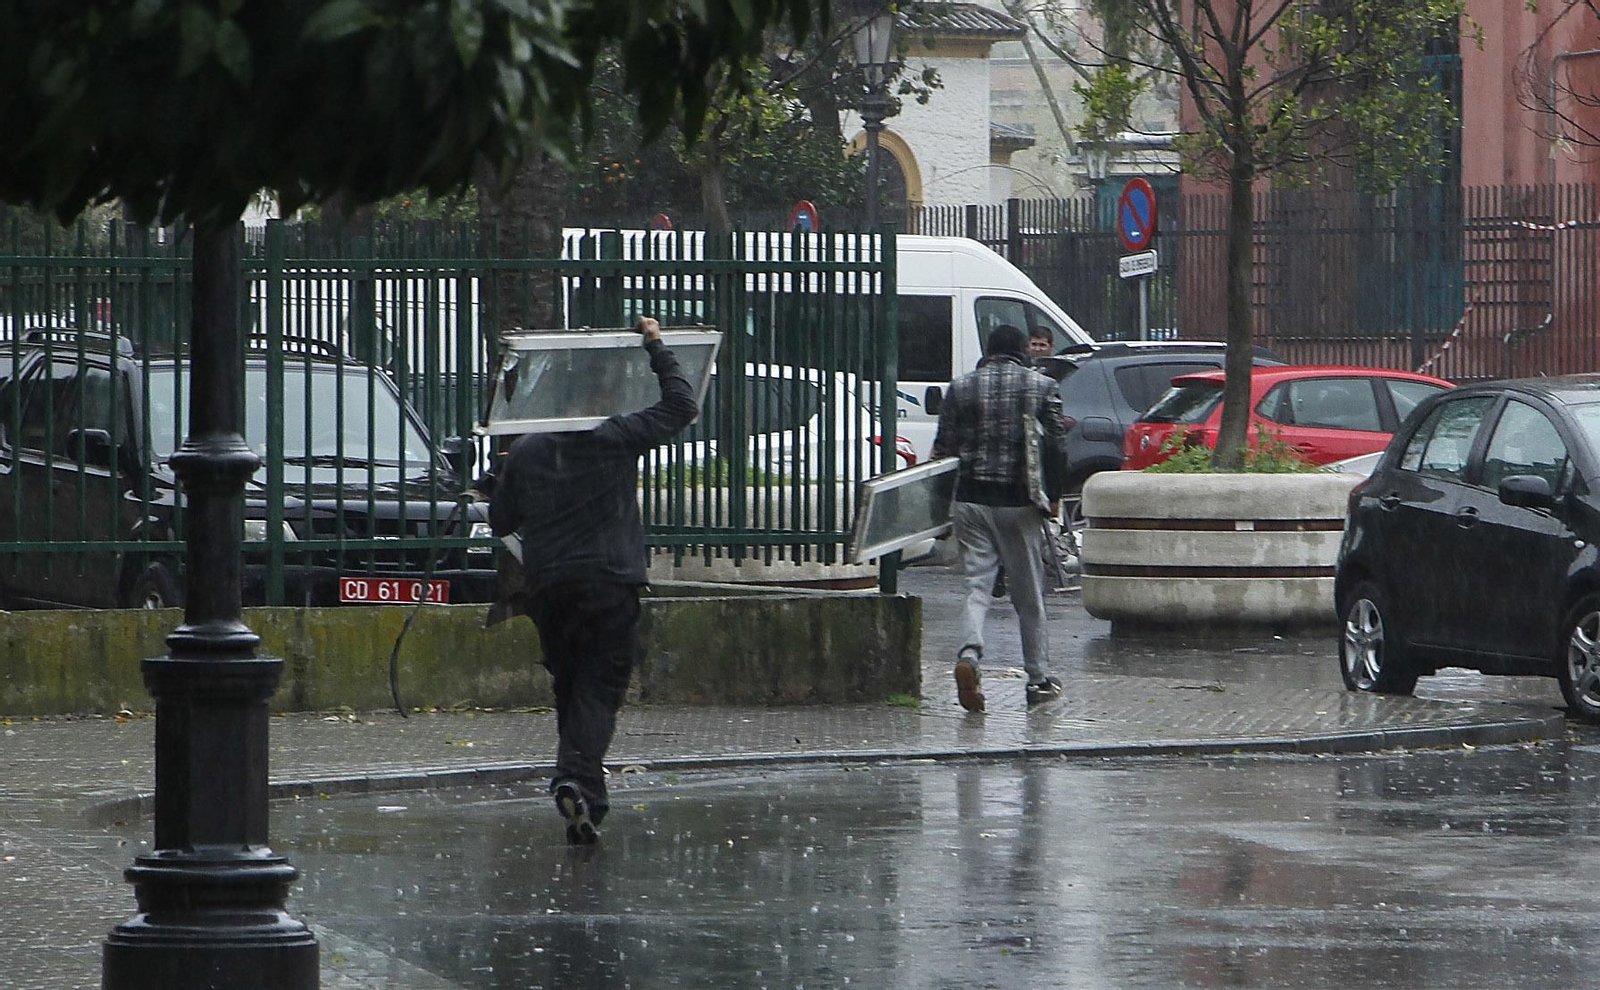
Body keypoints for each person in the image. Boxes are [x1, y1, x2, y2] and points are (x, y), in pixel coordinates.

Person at [488, 316, 699, 844]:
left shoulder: (531, 452)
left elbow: (500, 522)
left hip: (550, 588)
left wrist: (504, 480)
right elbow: (682, 405)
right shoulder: (615, 437)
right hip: (609, 584)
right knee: (600, 687)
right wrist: (657, 347)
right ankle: (577, 780)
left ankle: (586, 798)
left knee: (571, 687)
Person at [932, 324, 1068, 712]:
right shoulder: (1040, 386)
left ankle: (969, 655)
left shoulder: (960, 387)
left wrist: (939, 506)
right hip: (1017, 501)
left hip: (970, 500)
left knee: (977, 586)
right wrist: (1054, 495)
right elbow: (1056, 444)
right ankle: (1039, 678)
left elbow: (943, 448)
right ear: (1022, 350)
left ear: (988, 350)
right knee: (1028, 595)